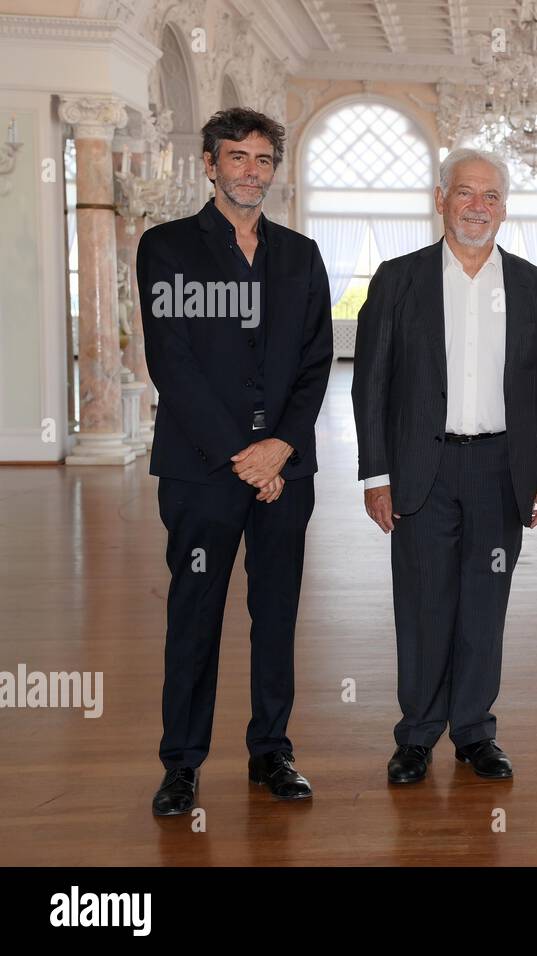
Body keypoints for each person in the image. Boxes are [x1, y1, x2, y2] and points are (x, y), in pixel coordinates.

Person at [140, 108, 333, 815]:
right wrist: (241, 454)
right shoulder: (165, 249)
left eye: (262, 159)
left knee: (276, 612)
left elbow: (317, 362)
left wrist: (279, 445)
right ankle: (182, 765)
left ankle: (271, 753)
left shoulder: (300, 255)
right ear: (209, 164)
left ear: (274, 169)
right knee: (195, 613)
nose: (250, 171)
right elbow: (174, 363)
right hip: (202, 470)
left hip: (287, 469)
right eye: (237, 157)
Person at [352, 147, 537, 784]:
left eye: (491, 196)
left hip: (501, 470)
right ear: (440, 199)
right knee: (423, 602)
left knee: (484, 604)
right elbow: (371, 385)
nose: (478, 206)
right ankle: (417, 735)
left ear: (504, 207)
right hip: (424, 469)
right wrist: (376, 474)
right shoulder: (397, 279)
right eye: (466, 193)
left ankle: (474, 731)